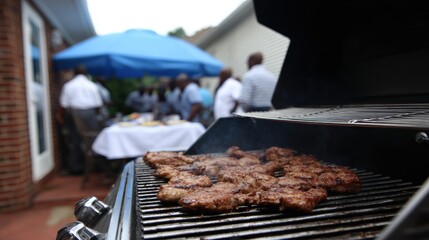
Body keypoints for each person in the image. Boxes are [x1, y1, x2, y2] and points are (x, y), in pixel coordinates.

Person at [59, 65, 103, 174]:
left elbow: (63, 105)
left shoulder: (68, 85)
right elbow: (98, 105)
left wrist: (61, 117)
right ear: (86, 73)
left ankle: (76, 167)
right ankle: (96, 165)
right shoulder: (92, 85)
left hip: (74, 113)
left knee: (75, 139)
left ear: (74, 73)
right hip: (90, 113)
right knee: (92, 139)